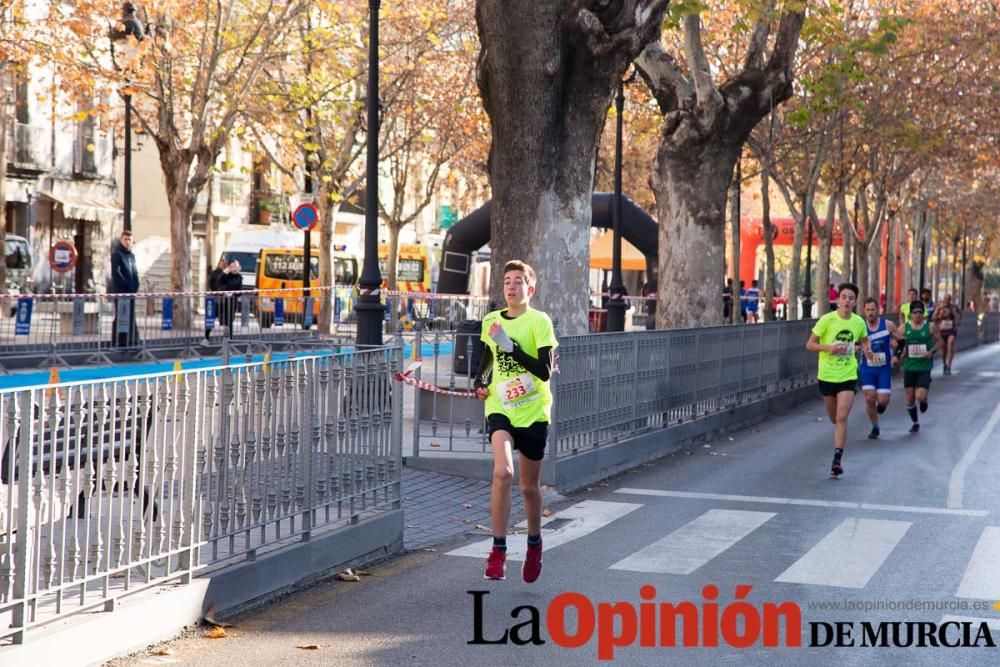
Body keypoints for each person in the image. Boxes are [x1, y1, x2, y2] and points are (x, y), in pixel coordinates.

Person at [473, 260, 557, 582]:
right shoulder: (492, 321)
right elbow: (487, 361)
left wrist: (512, 346)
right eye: (507, 281)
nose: (511, 286)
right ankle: (498, 550)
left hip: (533, 411)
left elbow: (544, 371)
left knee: (529, 487)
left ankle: (534, 544)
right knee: (503, 471)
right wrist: (479, 385)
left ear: (530, 289)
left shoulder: (540, 322)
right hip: (501, 407)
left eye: (518, 281)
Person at [806, 282, 872, 477]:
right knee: (834, 418)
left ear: (855, 302)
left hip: (848, 374)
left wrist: (867, 350)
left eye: (851, 298)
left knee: (842, 417)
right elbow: (810, 344)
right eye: (844, 297)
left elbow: (864, 339)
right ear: (838, 300)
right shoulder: (827, 320)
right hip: (827, 375)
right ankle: (837, 446)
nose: (847, 301)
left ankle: (837, 460)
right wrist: (829, 348)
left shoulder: (858, 322)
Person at [859, 297, 904, 439]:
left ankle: (881, 406)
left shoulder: (888, 325)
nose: (870, 312)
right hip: (867, 367)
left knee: (883, 400)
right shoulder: (860, 327)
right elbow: (853, 343)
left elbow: (902, 340)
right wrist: (859, 348)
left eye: (873, 309)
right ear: (864, 311)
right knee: (869, 397)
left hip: (883, 368)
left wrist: (896, 355)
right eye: (868, 310)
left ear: (878, 310)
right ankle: (875, 426)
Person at [901, 301, 943, 433]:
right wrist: (901, 352)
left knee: (919, 396)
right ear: (910, 314)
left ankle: (924, 401)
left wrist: (931, 352)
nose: (918, 315)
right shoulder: (904, 328)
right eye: (915, 312)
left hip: (924, 367)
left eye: (920, 312)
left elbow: (941, 342)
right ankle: (915, 422)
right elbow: (896, 342)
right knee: (909, 399)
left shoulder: (930, 327)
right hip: (909, 367)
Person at [110, 230, 140, 347]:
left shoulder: (131, 256)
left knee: (131, 315)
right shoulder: (117, 255)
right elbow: (116, 273)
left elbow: (135, 272)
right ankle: (119, 340)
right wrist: (126, 286)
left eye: (129, 240)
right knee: (122, 315)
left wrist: (136, 285)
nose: (127, 242)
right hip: (121, 292)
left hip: (131, 292)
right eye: (125, 239)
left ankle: (131, 339)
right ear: (121, 240)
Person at [931, 293, 961, 375]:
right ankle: (945, 364)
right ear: (943, 299)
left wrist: (958, 322)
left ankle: (948, 366)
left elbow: (960, 313)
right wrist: (939, 317)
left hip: (951, 330)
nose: (947, 300)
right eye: (945, 299)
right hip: (942, 330)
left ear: (950, 300)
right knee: (944, 349)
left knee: (950, 347)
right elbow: (933, 317)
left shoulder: (953, 307)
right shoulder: (939, 307)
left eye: (948, 299)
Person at [218, 260, 245, 337]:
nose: (234, 268)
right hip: (223, 301)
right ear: (229, 267)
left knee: (230, 319)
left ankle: (229, 337)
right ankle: (207, 337)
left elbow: (237, 288)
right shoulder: (226, 275)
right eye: (232, 266)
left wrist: (233, 293)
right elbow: (219, 282)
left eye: (235, 266)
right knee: (221, 319)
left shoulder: (239, 277)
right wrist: (224, 273)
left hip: (232, 301)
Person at [205, 258, 227, 342]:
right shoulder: (215, 273)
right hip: (216, 300)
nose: (223, 265)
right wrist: (217, 291)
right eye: (222, 263)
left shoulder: (226, 273)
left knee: (226, 321)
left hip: (225, 301)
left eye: (224, 263)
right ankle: (206, 336)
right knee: (212, 319)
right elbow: (211, 283)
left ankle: (226, 339)